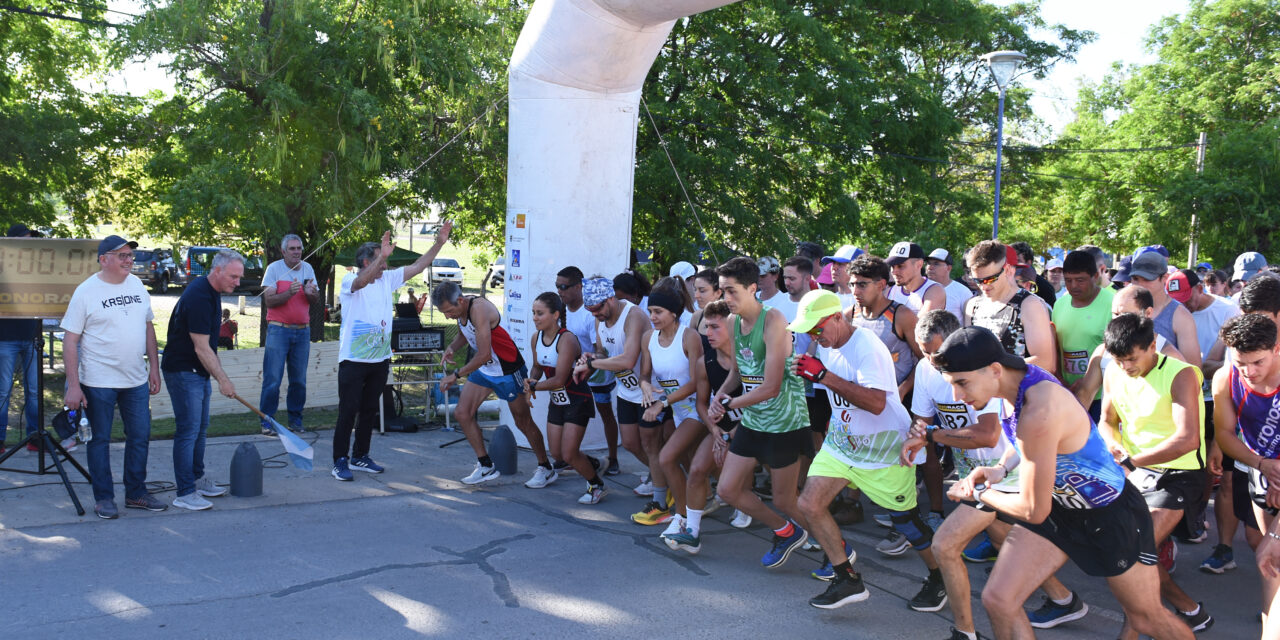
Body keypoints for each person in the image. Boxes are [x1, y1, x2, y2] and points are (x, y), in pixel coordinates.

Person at [938, 326, 1194, 640]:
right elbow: (1031, 448)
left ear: (994, 370)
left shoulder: (1040, 407)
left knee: (1146, 620)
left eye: (962, 383)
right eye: (951, 385)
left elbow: (1033, 510)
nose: (957, 397)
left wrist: (979, 492)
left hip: (1110, 515)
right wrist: (1000, 469)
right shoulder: (1011, 384)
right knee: (999, 600)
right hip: (1062, 509)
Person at [900, 310, 1085, 638]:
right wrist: (917, 434)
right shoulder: (934, 371)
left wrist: (934, 437)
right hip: (989, 471)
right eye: (923, 352)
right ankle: (1063, 598)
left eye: (936, 352)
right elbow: (923, 418)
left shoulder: (993, 377)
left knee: (946, 546)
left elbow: (987, 434)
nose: (929, 360)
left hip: (1006, 474)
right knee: (1003, 546)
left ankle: (964, 632)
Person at [788, 290, 944, 612]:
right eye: (808, 332)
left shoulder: (867, 346)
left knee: (907, 524)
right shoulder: (827, 345)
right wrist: (833, 415)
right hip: (844, 445)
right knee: (809, 503)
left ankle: (939, 577)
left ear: (836, 318)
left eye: (816, 329)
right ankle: (846, 578)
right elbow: (839, 393)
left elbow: (875, 403)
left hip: (883, 449)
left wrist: (823, 375)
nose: (813, 337)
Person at [1100, 313, 1214, 634]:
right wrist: (1113, 446)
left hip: (1179, 472)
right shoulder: (1115, 372)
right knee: (1132, 554)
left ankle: (1138, 629)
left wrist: (1132, 461)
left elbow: (1188, 439)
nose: (1125, 367)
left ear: (1153, 345)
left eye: (1132, 359)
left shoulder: (1182, 374)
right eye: (1118, 360)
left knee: (1133, 555)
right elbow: (1107, 421)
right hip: (1135, 469)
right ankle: (1189, 610)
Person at [706, 256, 812, 569]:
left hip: (784, 422)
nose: (726, 299)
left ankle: (839, 551)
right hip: (754, 420)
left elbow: (771, 387)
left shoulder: (774, 319)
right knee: (727, 489)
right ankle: (786, 531)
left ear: (753, 288)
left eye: (732, 292)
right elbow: (738, 372)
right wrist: (721, 395)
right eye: (722, 292)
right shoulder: (732, 322)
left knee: (784, 500)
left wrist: (729, 405)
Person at [332, 224, 451, 482]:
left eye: (385, 261)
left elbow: (419, 266)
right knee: (348, 410)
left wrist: (439, 243)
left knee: (369, 410)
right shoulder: (349, 279)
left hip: (380, 359)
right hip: (353, 360)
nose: (385, 266)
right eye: (380, 260)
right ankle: (339, 460)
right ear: (366, 261)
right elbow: (361, 281)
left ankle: (360, 456)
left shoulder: (387, 279)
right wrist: (382, 258)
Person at [61, 235, 166, 518]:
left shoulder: (137, 285)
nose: (129, 260)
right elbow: (70, 341)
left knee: (140, 436)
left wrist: (154, 368)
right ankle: (104, 498)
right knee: (99, 440)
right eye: (122, 256)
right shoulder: (86, 291)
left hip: (135, 380)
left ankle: (136, 493)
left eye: (130, 255)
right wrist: (73, 385)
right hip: (98, 382)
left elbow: (148, 327)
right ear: (103, 259)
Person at [434, 280, 554, 488]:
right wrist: (452, 347)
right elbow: (466, 332)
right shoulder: (461, 310)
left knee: (522, 421)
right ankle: (485, 465)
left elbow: (483, 354)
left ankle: (546, 467)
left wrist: (456, 375)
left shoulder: (479, 309)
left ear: (460, 300)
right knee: (462, 413)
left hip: (508, 370)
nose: (447, 316)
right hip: (486, 370)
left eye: (448, 311)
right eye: (443, 313)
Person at [1212, 313, 1280, 636]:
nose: (1249, 372)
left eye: (1258, 362)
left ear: (1277, 349)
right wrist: (1263, 465)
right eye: (1242, 363)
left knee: (1272, 548)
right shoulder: (1227, 378)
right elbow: (1225, 434)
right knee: (1271, 565)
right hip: (1262, 472)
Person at [162, 248, 244, 510]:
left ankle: (196, 479)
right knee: (188, 431)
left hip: (197, 371)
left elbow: (208, 346)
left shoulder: (213, 292)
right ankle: (185, 493)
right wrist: (223, 379)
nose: (238, 282)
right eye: (233, 276)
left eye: (239, 277)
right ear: (217, 271)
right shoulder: (198, 296)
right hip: (183, 370)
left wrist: (215, 375)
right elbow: (201, 347)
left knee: (200, 428)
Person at [664, 299, 742, 553]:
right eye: (706, 327)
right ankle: (692, 532)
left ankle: (795, 528)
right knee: (697, 469)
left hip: (757, 424)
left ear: (733, 327)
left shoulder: (750, 357)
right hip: (724, 426)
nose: (708, 333)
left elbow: (765, 402)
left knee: (777, 488)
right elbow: (700, 404)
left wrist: (730, 436)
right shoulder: (704, 362)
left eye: (715, 327)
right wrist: (715, 430)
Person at [572, 276, 653, 494]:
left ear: (609, 299)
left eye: (597, 309)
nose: (594, 315)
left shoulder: (633, 315)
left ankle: (665, 483)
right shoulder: (599, 317)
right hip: (627, 390)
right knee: (629, 443)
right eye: (589, 311)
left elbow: (628, 359)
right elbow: (602, 351)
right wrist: (591, 357)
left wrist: (591, 363)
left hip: (649, 389)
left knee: (651, 445)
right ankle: (660, 476)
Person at [525, 292, 604, 504]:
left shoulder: (566, 339)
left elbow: (559, 379)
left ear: (555, 315)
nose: (535, 317)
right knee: (558, 454)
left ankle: (596, 485)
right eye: (533, 313)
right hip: (558, 400)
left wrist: (534, 387)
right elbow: (537, 367)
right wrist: (530, 381)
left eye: (540, 313)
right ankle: (592, 463)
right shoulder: (536, 337)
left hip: (577, 398)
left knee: (569, 454)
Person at [639, 280, 704, 534]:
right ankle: (702, 504)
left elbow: (697, 383)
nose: (652, 317)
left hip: (697, 409)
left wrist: (662, 402)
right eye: (650, 311)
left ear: (673, 313)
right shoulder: (648, 338)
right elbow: (645, 374)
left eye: (658, 312)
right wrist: (645, 386)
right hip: (678, 411)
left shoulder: (689, 336)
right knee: (693, 464)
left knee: (667, 457)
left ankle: (682, 516)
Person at [1071, 286, 1187, 407]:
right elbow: (1084, 395)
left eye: (1126, 314)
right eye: (1115, 314)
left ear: (1148, 313)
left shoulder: (1170, 356)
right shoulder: (1102, 352)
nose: (1119, 320)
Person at [558, 266, 621, 476]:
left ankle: (612, 459)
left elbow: (599, 350)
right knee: (571, 415)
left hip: (597, 374)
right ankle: (573, 456)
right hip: (576, 374)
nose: (560, 291)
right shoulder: (563, 309)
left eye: (564, 286)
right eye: (557, 286)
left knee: (605, 414)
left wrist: (589, 364)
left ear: (578, 286)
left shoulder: (589, 314)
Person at [963, 241, 1057, 375]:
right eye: (978, 280)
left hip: (1018, 392)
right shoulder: (972, 305)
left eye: (989, 279)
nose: (983, 286)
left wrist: (994, 368)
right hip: (983, 392)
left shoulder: (1029, 305)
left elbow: (1046, 363)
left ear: (1008, 270)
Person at [258, 233, 320, 435]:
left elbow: (315, 299)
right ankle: (267, 422)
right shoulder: (274, 269)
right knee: (273, 379)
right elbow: (269, 301)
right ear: (283, 251)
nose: (297, 252)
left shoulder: (308, 269)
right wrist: (289, 293)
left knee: (299, 380)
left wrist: (312, 294)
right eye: (292, 249)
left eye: (299, 248)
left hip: (302, 332)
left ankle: (295, 421)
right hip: (278, 330)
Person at [1053, 249, 1115, 420]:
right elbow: (1057, 346)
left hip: (1100, 397)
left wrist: (1091, 380)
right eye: (1068, 280)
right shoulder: (1059, 305)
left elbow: (1118, 352)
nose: (1073, 286)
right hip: (1067, 392)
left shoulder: (1113, 304)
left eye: (1080, 280)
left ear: (1095, 276)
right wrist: (1059, 377)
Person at [0, 223, 40, 455]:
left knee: (34, 391)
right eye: (26, 238)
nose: (29, 242)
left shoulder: (35, 267)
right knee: (3, 392)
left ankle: (35, 437)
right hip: (5, 338)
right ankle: (0, 440)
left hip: (31, 336)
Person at [1128, 250, 1201, 367]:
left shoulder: (1180, 316)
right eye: (1135, 278)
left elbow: (1194, 370)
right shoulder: (1124, 308)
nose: (1140, 284)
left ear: (1165, 278)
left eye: (1147, 279)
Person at [886, 241, 945, 316]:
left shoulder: (934, 290)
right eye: (892, 266)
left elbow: (919, 325)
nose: (894, 272)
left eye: (900, 266)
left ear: (919, 264)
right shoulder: (889, 292)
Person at [925, 248, 973, 321]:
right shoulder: (920, 288)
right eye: (928, 263)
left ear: (948, 268)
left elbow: (970, 323)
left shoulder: (962, 291)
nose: (930, 267)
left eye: (936, 263)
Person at [1009, 242, 1056, 307]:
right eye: (1010, 261)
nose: (1013, 264)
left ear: (1029, 262)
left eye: (1017, 261)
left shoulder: (1046, 288)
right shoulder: (1002, 282)